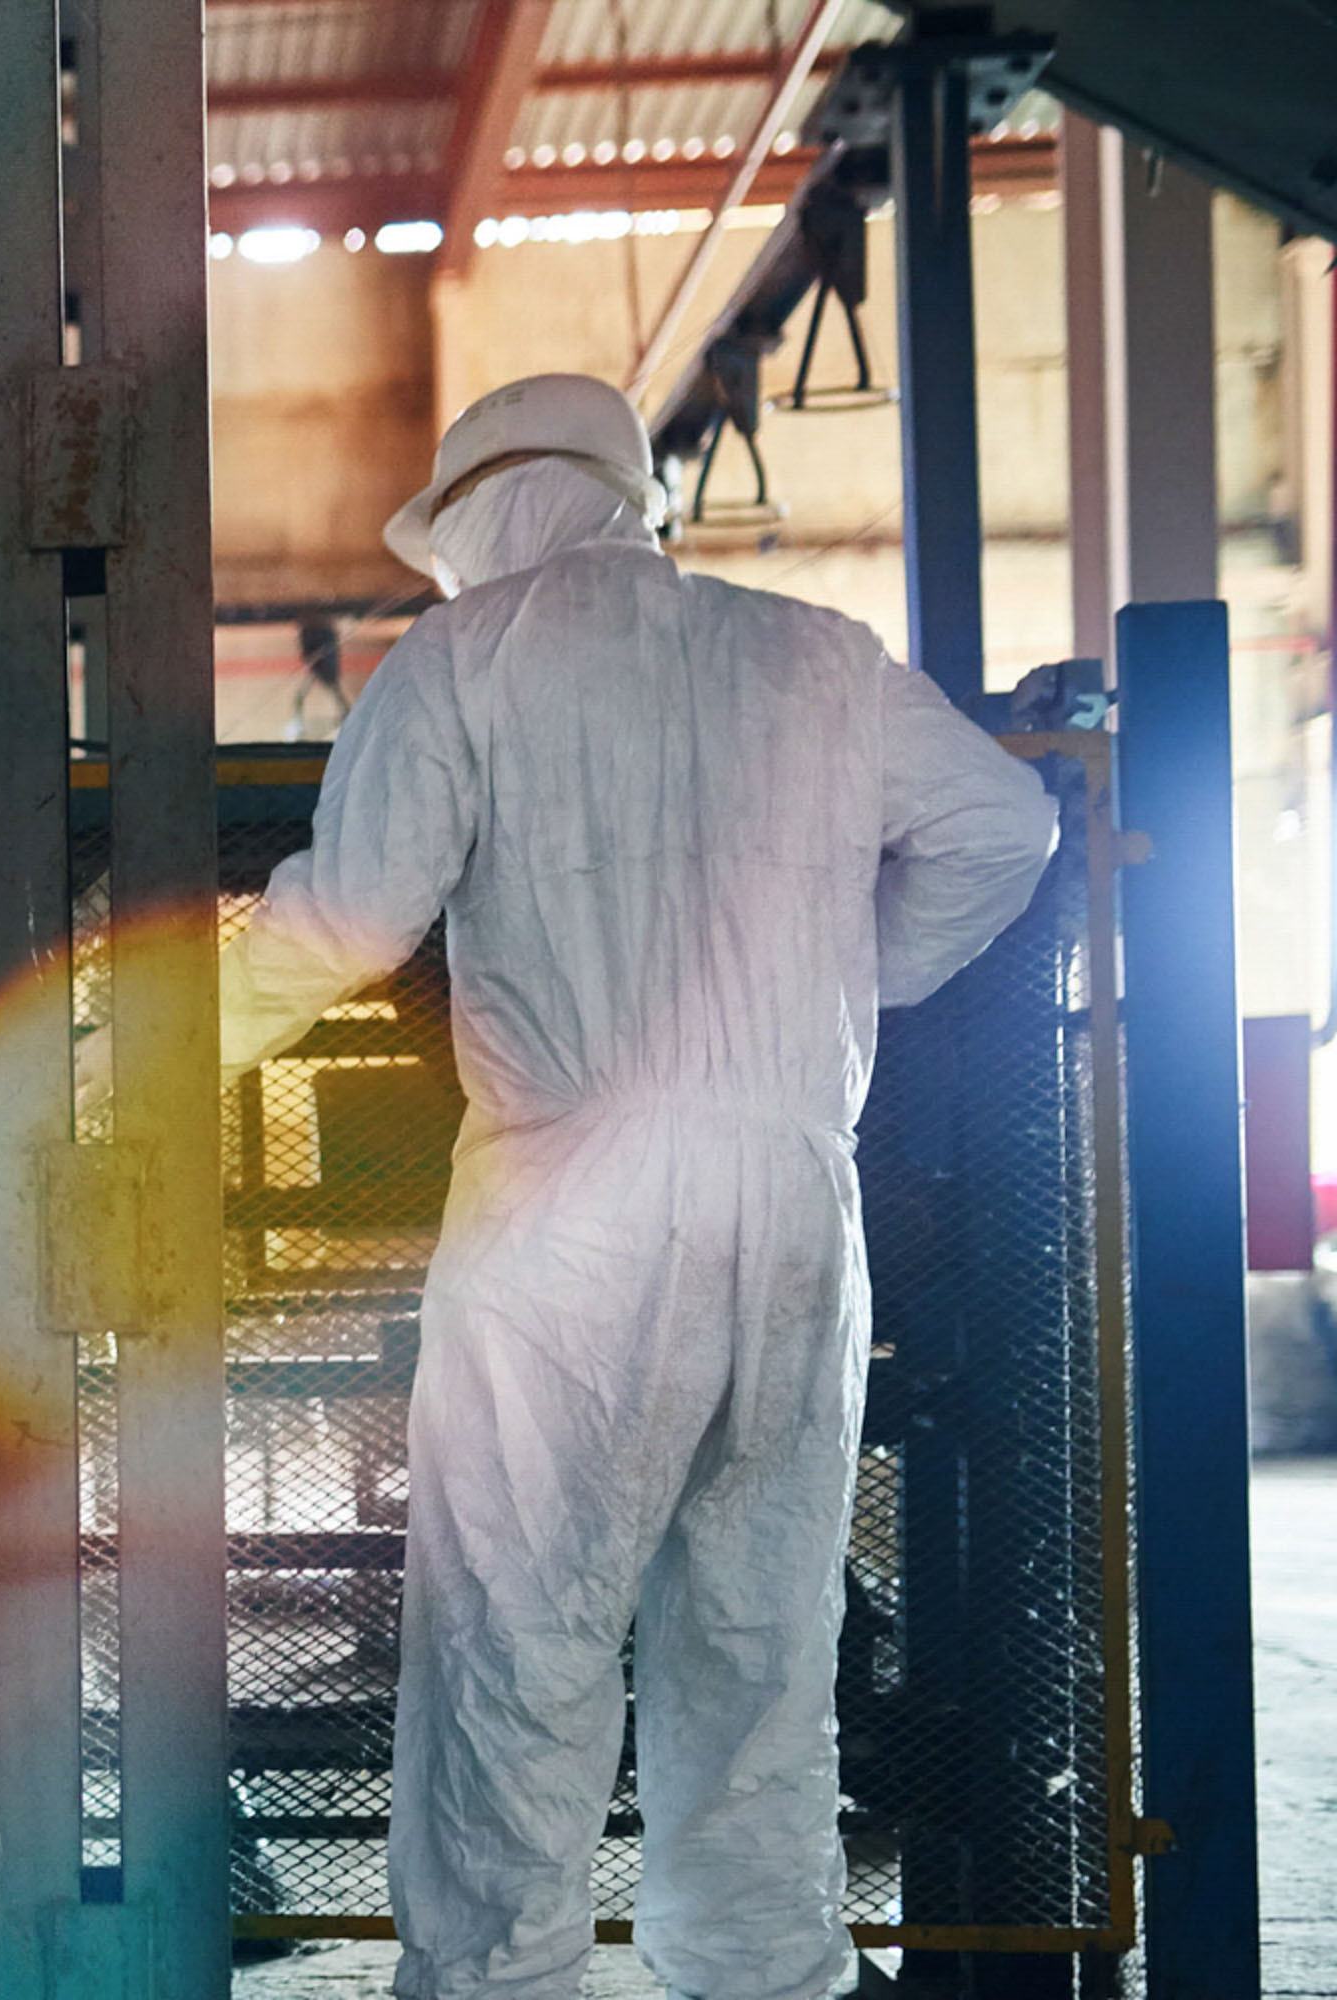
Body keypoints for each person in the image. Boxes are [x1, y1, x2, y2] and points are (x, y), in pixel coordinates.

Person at [215, 374, 1058, 2000]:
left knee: (517, 1634)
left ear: (477, 519)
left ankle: (497, 1983)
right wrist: (854, 983)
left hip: (569, 1205)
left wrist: (167, 1053)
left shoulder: (465, 655)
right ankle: (764, 1973)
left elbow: (353, 919)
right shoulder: (816, 653)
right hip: (794, 1195)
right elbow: (1003, 826)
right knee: (758, 1642)